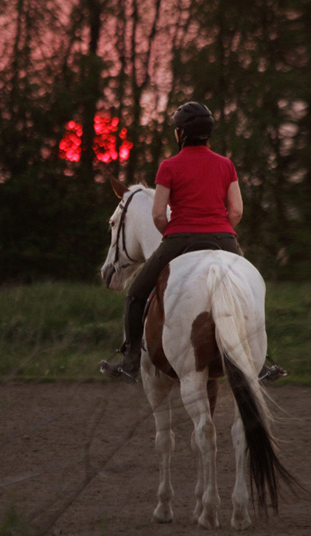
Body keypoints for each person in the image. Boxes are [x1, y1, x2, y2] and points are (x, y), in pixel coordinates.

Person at [100, 101, 244, 382]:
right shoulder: (227, 165)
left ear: (181, 134)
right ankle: (259, 362)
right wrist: (222, 230)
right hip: (223, 238)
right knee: (246, 290)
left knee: (136, 294)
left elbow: (157, 213)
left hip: (180, 239)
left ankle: (130, 359)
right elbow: (236, 210)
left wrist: (173, 232)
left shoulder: (169, 166)